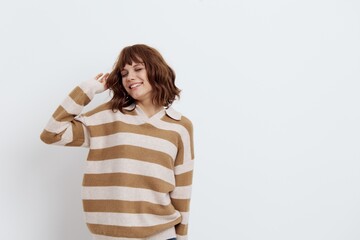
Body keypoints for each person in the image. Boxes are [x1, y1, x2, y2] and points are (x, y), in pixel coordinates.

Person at [40, 44, 195, 240]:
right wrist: (87, 89)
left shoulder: (180, 126)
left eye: (138, 69)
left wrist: (182, 237)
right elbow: (52, 133)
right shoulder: (107, 116)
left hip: (162, 234)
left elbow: (182, 190)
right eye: (124, 73)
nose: (130, 77)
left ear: (156, 70)